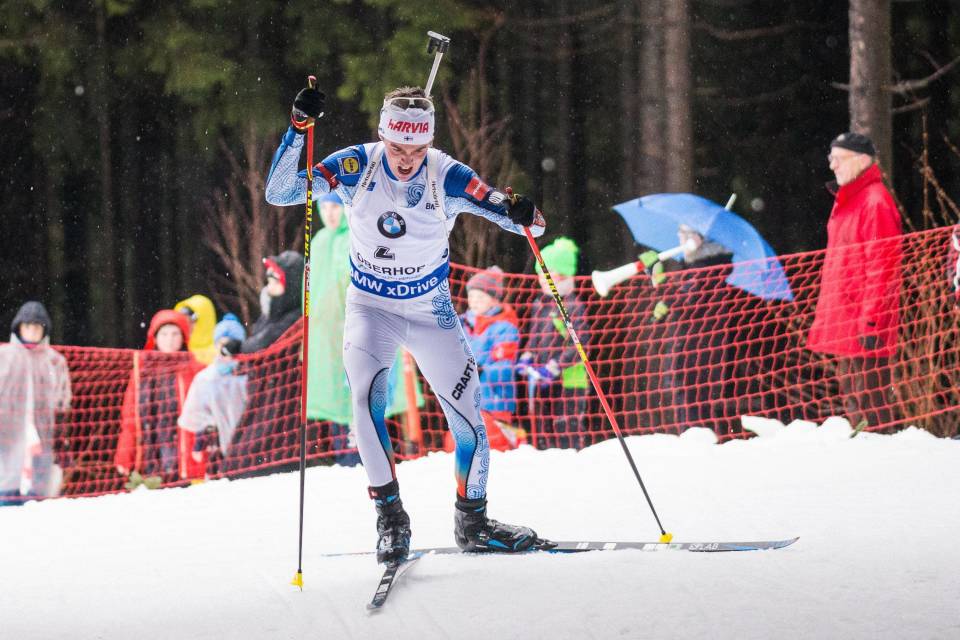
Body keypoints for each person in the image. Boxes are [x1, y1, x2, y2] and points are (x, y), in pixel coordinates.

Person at [265, 82, 547, 564]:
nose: (405, 158)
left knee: (469, 420)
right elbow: (280, 192)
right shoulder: (357, 164)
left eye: (416, 149)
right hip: (371, 307)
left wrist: (520, 210)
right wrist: (297, 129)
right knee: (365, 404)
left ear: (429, 143)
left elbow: (531, 224)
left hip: (430, 311)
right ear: (382, 137)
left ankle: (473, 522)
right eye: (397, 147)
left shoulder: (448, 175)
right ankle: (391, 520)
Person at [305, 191, 423, 468]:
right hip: (327, 334)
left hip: (359, 327)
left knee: (367, 390)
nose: (330, 214)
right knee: (337, 393)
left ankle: (373, 454)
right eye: (325, 208)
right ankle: (344, 454)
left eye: (335, 207)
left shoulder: (357, 237)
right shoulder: (320, 242)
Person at [807, 132, 903, 429]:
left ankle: (884, 458)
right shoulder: (847, 201)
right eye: (830, 158)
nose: (832, 165)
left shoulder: (875, 202)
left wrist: (872, 320)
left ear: (861, 161)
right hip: (846, 318)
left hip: (866, 322)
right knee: (853, 398)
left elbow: (883, 267)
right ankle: (865, 459)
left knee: (870, 402)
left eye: (838, 158)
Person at [643, 225, 738, 436]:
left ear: (698, 239)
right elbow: (676, 300)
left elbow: (685, 304)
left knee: (695, 409)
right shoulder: (692, 269)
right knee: (691, 402)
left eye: (684, 233)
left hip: (696, 359)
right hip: (692, 356)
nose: (679, 237)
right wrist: (661, 293)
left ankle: (699, 440)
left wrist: (659, 277)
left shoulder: (704, 270)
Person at [517, 237, 592, 449]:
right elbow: (534, 337)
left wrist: (557, 365)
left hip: (570, 379)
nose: (542, 281)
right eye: (540, 276)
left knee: (565, 428)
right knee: (544, 429)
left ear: (565, 277)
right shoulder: (540, 304)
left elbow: (580, 344)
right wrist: (528, 356)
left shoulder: (572, 306)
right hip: (542, 377)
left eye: (549, 276)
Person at [116, 309, 204, 485]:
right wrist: (125, 453)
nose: (169, 340)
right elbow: (130, 418)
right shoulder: (141, 371)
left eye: (174, 334)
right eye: (164, 334)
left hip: (182, 452)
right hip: (148, 448)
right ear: (155, 338)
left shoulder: (195, 369)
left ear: (183, 337)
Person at [444, 266, 526, 452]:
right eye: (471, 297)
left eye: (480, 297)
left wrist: (482, 370)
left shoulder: (505, 327)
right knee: (457, 444)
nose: (475, 302)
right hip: (465, 395)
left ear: (494, 299)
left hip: (495, 398)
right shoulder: (462, 324)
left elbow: (506, 367)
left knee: (493, 442)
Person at [0, 302, 72, 505]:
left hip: (43, 438)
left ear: (44, 330)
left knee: (38, 497)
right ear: (19, 328)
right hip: (8, 438)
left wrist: (61, 439)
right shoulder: (5, 357)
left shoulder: (54, 361)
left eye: (37, 327)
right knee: (7, 493)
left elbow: (63, 400)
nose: (32, 331)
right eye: (28, 326)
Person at [177, 313, 249, 478]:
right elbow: (196, 415)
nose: (226, 350)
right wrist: (200, 441)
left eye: (231, 345)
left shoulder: (249, 374)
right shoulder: (206, 378)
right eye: (222, 344)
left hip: (246, 443)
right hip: (216, 448)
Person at [241, 251, 304, 354]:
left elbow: (262, 343)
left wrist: (239, 347)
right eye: (269, 282)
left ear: (291, 287)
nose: (269, 288)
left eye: (276, 282)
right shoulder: (270, 313)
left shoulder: (295, 318)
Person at [174, 294, 219, 365]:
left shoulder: (219, 354)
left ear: (204, 321)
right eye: (182, 321)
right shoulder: (174, 347)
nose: (186, 326)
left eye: (190, 321)